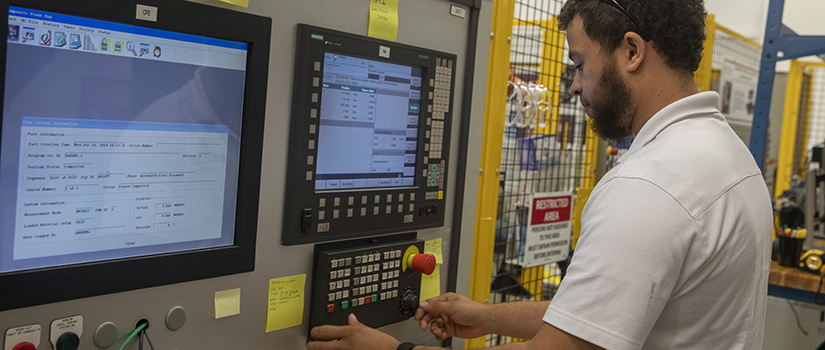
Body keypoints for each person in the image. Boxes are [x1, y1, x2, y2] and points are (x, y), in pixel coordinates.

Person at [306, 0, 772, 349]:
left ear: (632, 51)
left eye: (579, 63)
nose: (573, 85)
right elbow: (603, 315)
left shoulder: (648, 186)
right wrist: (488, 317)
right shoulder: (728, 156)